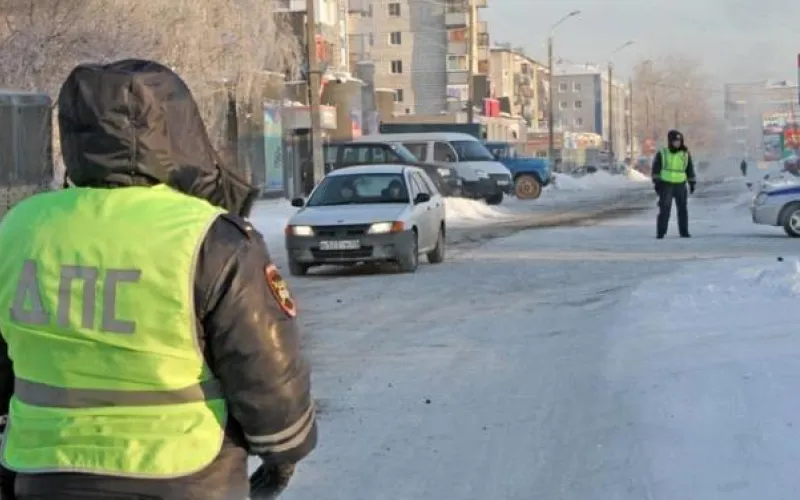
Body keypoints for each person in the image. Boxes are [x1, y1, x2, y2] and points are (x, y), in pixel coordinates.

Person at [0, 59, 316, 500]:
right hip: (183, 471)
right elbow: (262, 368)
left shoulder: (19, 229)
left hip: (45, 470)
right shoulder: (210, 237)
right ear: (175, 131)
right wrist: (283, 452)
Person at [651, 129, 696, 239]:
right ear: (670, 141)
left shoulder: (685, 154)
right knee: (665, 208)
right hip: (666, 184)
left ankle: (684, 232)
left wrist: (692, 182)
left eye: (679, 141)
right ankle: (661, 232)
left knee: (682, 208)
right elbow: (656, 169)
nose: (677, 143)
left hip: (680, 184)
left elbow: (689, 168)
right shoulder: (663, 153)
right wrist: (657, 182)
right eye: (675, 141)